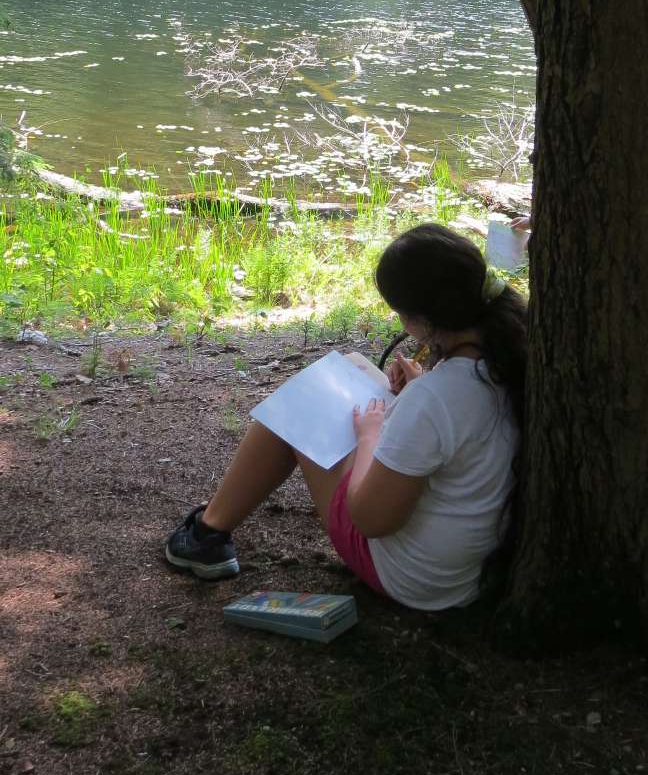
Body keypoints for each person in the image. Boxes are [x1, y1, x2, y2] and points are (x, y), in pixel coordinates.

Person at [164, 222, 528, 611]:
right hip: (472, 571)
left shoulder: (434, 397)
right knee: (355, 367)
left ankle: (207, 533)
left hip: (418, 579)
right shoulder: (510, 357)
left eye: (401, 315)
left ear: (421, 319)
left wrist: (372, 435)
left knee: (302, 404)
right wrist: (415, 392)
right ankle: (211, 528)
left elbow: (370, 519)